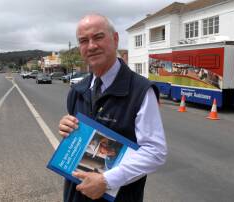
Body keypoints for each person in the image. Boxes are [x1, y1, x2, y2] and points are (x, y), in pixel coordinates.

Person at [58, 13, 167, 202]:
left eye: (98, 37)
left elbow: (155, 152)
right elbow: (78, 139)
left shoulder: (141, 91)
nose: (91, 46)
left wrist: (106, 180)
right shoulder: (77, 90)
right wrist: (67, 127)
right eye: (84, 41)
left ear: (115, 39)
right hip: (76, 194)